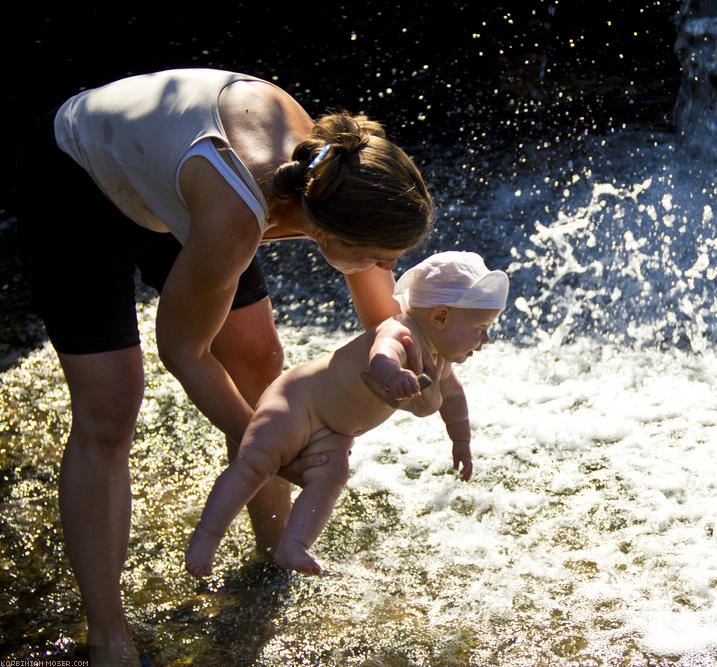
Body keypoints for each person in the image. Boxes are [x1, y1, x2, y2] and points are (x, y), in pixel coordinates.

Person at [13, 68, 434, 665]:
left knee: (261, 360)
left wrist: (419, 367)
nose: (386, 267)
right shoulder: (244, 213)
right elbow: (183, 352)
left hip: (183, 184)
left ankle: (273, 561)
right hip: (79, 190)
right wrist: (265, 446)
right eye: (382, 257)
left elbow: (382, 321)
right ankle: (109, 635)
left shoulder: (333, 177)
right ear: (326, 230)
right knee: (111, 407)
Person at [185, 251, 508, 577]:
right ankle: (206, 537)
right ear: (440, 318)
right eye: (481, 328)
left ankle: (293, 545)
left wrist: (461, 442)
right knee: (256, 463)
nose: (486, 340)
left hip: (335, 431)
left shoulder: (440, 360)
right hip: (298, 403)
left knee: (332, 477)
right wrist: (393, 376)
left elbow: (453, 398)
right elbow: (381, 357)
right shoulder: (399, 331)